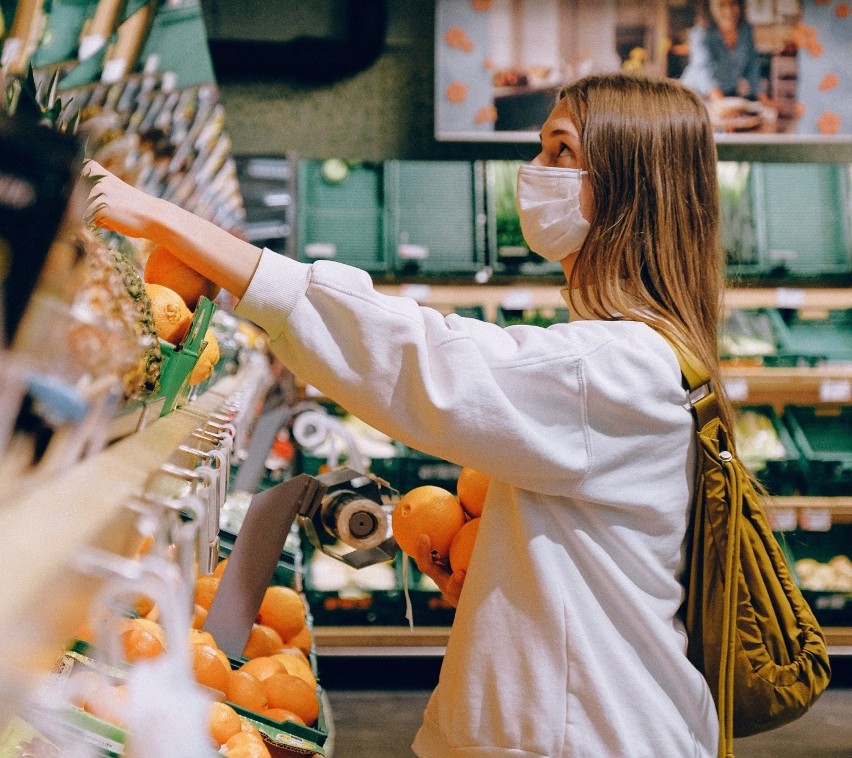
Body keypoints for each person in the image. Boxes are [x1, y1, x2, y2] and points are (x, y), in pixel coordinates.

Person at [86, 71, 729, 757]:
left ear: (630, 181)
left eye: (560, 151)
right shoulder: (639, 353)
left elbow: (421, 356)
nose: (533, 171)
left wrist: (165, 221)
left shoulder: (612, 367)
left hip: (592, 734)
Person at [680, 0, 773, 107]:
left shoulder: (746, 31)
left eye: (733, 3)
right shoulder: (701, 33)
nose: (728, 11)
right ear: (709, 8)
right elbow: (704, 71)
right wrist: (721, 104)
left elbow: (752, 67)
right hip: (694, 97)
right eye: (721, 5)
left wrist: (764, 100)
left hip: (725, 96)